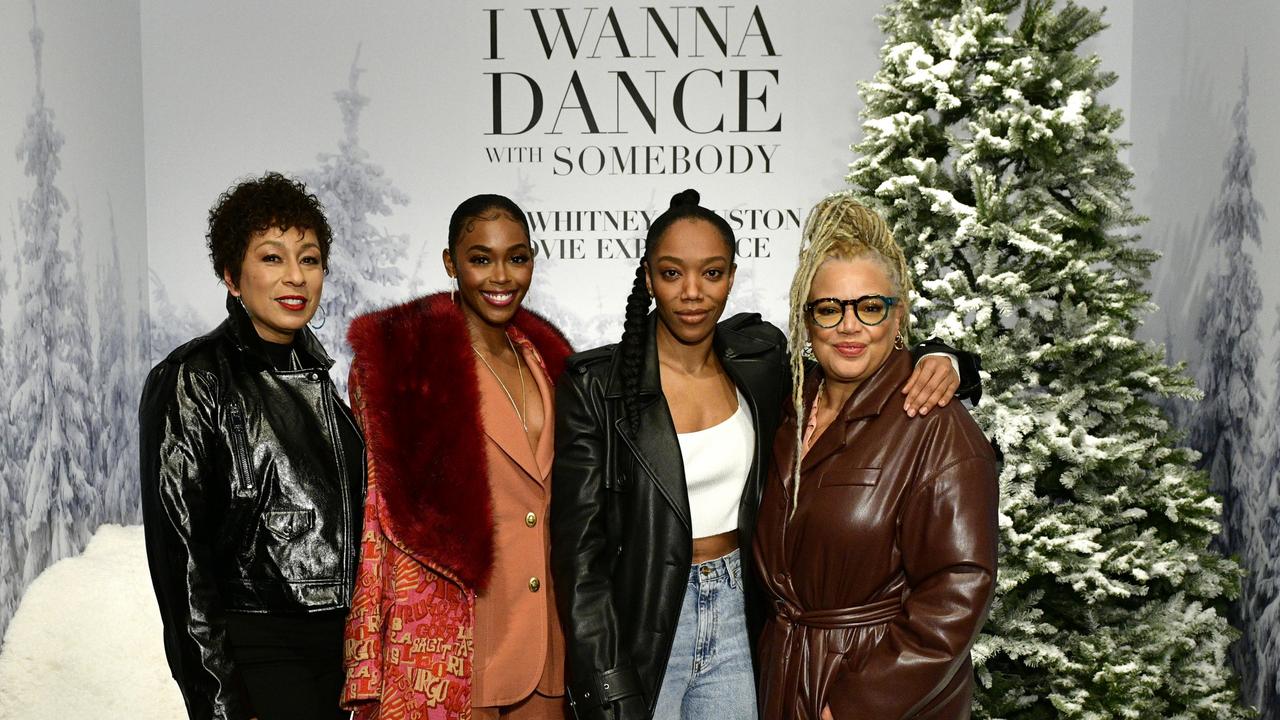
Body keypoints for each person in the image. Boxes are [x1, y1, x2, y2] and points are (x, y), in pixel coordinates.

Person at [550, 189, 980, 720]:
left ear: (731, 277)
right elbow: (579, 556)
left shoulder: (760, 363)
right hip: (647, 617)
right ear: (647, 279)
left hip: (740, 614)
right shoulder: (597, 386)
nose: (691, 292)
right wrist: (604, 680)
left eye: (711, 273)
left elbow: (858, 338)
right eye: (670, 273)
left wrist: (948, 358)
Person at [754, 194, 999, 720]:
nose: (849, 327)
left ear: (898, 315)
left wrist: (858, 705)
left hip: (877, 696)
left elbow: (958, 589)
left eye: (869, 307)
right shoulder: (785, 405)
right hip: (783, 679)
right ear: (807, 318)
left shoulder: (936, 424)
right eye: (829, 308)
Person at [140, 172, 364, 720]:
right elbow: (181, 564)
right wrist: (218, 701)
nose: (295, 277)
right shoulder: (193, 377)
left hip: (344, 654)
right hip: (259, 653)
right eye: (272, 258)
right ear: (231, 275)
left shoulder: (324, 382)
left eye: (309, 260)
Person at [341, 194, 572, 719]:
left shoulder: (547, 360)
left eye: (517, 257)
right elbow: (379, 519)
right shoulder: (409, 373)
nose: (502, 276)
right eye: (480, 258)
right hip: (457, 638)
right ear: (451, 262)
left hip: (547, 643)